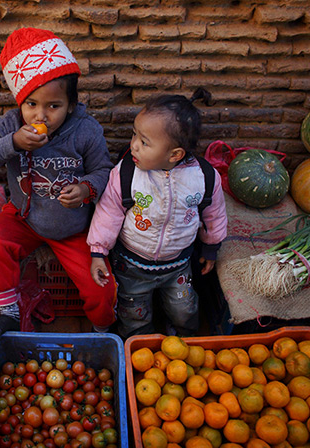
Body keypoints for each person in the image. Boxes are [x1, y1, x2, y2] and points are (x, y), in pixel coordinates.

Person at [0, 27, 117, 339]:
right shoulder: (9, 126)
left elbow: (105, 171)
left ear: (71, 104)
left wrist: (86, 189)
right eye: (31, 104)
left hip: (75, 230)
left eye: (53, 106)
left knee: (102, 288)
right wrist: (12, 143)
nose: (41, 115)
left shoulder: (85, 130)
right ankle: (8, 310)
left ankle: (101, 333)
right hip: (23, 218)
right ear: (19, 100)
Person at [87, 90, 228, 338]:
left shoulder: (203, 178)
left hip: (179, 265)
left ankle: (181, 338)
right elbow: (108, 211)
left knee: (184, 309)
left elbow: (214, 215)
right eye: (134, 135)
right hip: (132, 264)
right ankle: (141, 343)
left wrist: (210, 248)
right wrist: (99, 251)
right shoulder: (126, 173)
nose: (133, 146)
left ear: (174, 154)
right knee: (134, 313)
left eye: (144, 142)